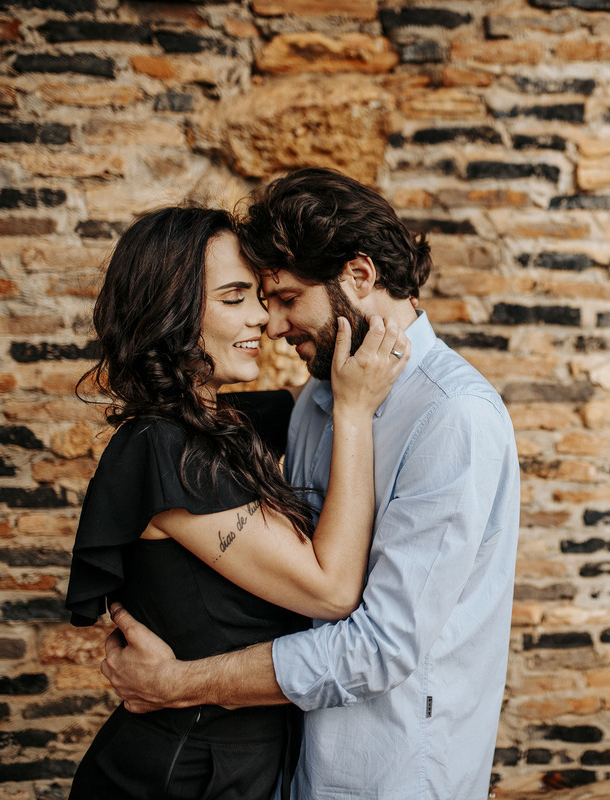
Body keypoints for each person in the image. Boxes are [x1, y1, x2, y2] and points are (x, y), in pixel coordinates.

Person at [100, 168, 521, 798]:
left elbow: (379, 648)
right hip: (290, 768)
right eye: (259, 301)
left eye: (288, 298)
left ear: (358, 277)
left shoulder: (453, 419)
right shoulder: (318, 403)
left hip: (388, 771)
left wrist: (176, 684)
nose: (272, 325)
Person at [65, 204, 410, 799]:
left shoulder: (219, 425)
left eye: (264, 296)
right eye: (234, 298)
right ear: (171, 312)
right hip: (184, 773)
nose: (262, 318)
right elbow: (329, 591)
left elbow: (310, 395)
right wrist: (352, 412)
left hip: (239, 765)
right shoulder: (165, 448)